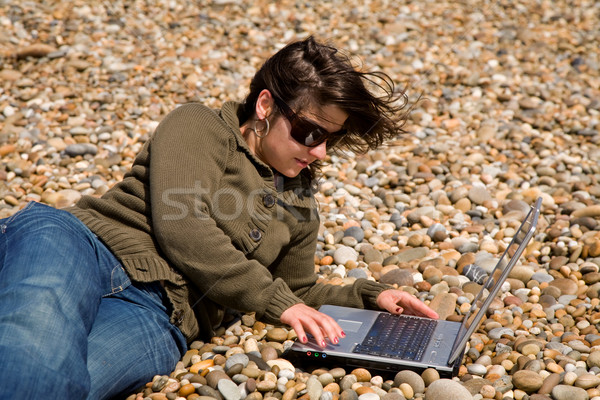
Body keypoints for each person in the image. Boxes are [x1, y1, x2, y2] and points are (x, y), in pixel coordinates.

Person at [0, 36, 438, 399]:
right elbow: (183, 224)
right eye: (311, 132)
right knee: (32, 339)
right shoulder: (200, 125)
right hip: (83, 245)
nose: (320, 151)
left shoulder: (300, 201)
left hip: (160, 314)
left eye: (331, 140)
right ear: (265, 106)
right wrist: (278, 302)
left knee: (72, 383)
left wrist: (368, 299)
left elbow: (295, 291)